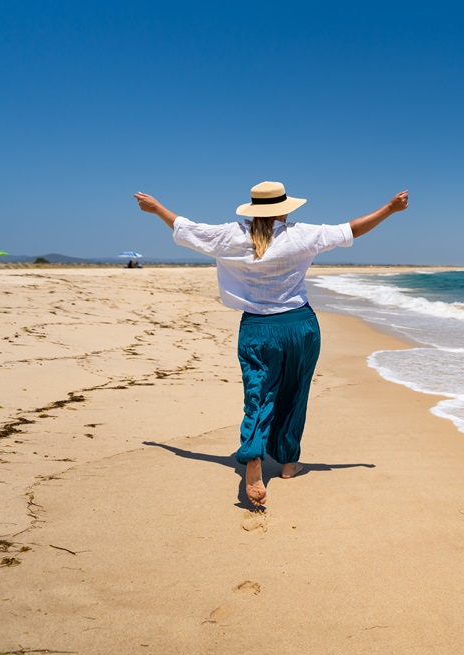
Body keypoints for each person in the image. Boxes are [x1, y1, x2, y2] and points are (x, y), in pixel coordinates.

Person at [134, 181, 408, 506]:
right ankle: (289, 463)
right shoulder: (300, 234)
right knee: (295, 392)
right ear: (285, 208)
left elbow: (186, 228)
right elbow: (350, 231)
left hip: (258, 329)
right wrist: (390, 209)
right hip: (300, 327)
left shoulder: (232, 235)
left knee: (258, 395)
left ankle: (254, 462)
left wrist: (156, 209)